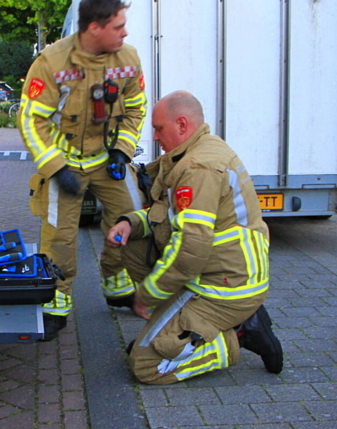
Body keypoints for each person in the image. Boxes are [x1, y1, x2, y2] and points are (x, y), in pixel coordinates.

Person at [106, 90, 283, 384]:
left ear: (182, 124)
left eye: (159, 128)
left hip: (225, 287)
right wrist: (130, 223)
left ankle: (234, 338)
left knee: (144, 367)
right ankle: (175, 331)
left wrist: (146, 296)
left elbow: (189, 251)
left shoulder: (198, 167)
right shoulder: (191, 154)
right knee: (134, 246)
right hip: (218, 273)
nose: (156, 137)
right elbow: (167, 217)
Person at [19, 0, 148, 340]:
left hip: (108, 160)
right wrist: (56, 169)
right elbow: (31, 121)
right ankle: (56, 303)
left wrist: (122, 150)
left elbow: (136, 107)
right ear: (95, 27)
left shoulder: (128, 58)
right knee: (59, 236)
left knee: (133, 217)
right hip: (66, 166)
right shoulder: (53, 63)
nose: (125, 33)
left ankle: (117, 284)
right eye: (118, 26)